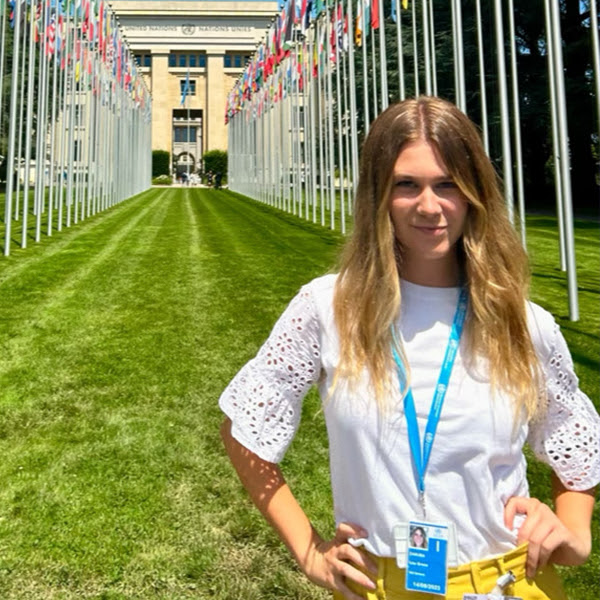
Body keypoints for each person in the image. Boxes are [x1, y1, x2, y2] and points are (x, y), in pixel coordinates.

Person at [219, 97, 599, 600]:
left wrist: (574, 535)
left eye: (448, 184)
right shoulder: (328, 307)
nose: (429, 205)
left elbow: (575, 447)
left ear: (474, 193)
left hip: (508, 582)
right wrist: (309, 552)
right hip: (378, 583)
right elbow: (244, 430)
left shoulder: (523, 323)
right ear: (378, 194)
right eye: (406, 184)